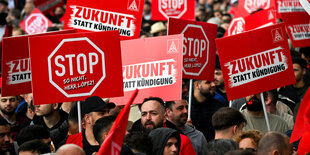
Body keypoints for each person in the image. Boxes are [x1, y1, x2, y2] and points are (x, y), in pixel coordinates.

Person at [131, 97, 197, 155]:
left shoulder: (181, 140)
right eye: (144, 114)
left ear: (164, 117)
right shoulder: (133, 142)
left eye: (153, 113)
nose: (148, 117)